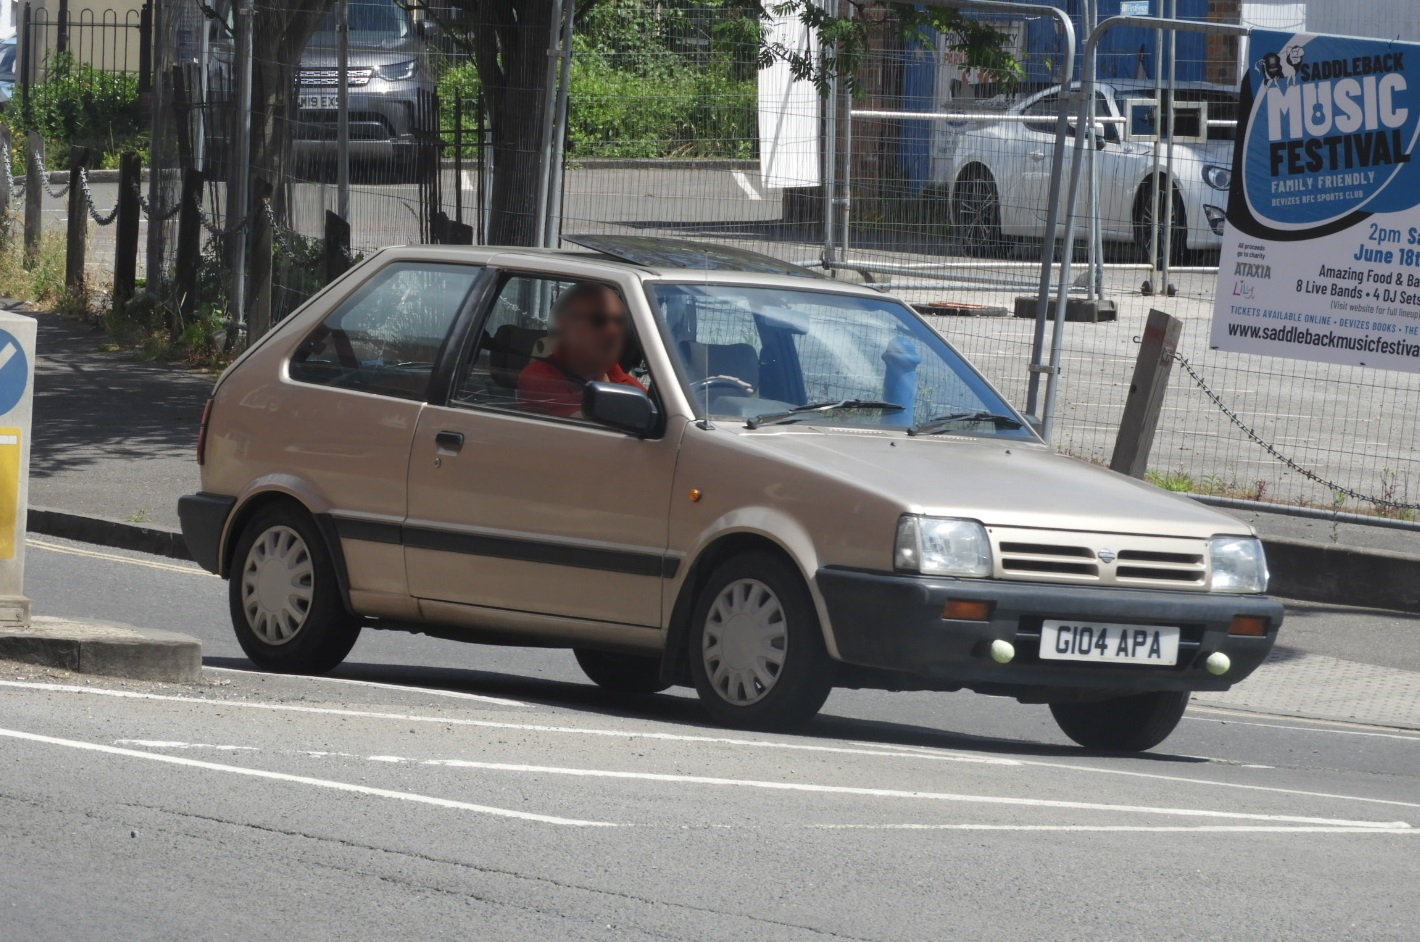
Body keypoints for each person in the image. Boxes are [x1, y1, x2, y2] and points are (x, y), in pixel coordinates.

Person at [518, 282, 646, 417]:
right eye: (598, 320)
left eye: (619, 322)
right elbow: (593, 425)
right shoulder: (540, 377)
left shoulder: (624, 379)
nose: (613, 331)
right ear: (566, 326)